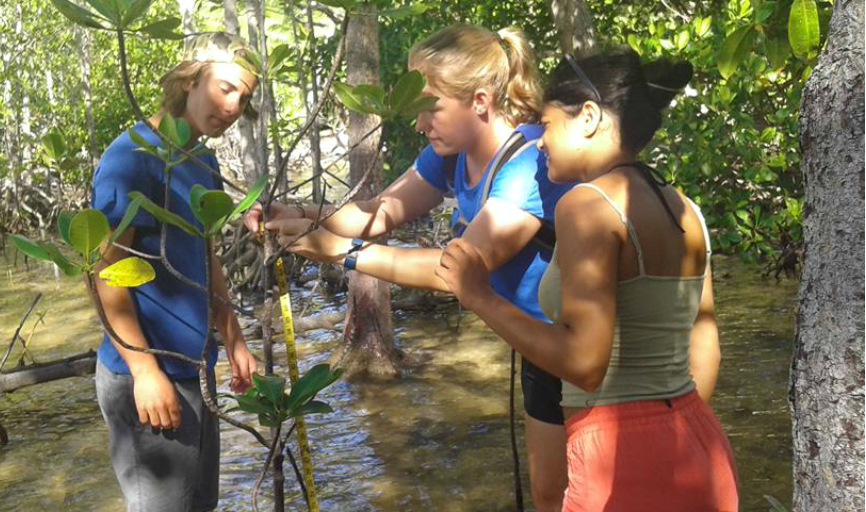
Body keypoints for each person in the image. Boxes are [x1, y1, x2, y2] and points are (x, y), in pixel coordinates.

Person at [245, 24, 573, 511]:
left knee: (581, 491)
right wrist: (295, 215)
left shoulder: (528, 165)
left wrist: (341, 252)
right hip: (536, 346)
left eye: (430, 106)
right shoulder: (451, 153)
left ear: (481, 101)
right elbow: (375, 212)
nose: (419, 123)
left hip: (573, 343)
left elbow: (456, 271)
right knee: (550, 492)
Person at [436, 48, 738, 512]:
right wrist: (665, 425)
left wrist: (479, 296)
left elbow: (584, 363)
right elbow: (706, 346)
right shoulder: (684, 207)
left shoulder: (585, 207)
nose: (539, 141)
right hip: (697, 442)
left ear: (590, 117)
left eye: (549, 124)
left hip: (617, 457)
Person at [91, 32, 259, 512]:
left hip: (194, 368)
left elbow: (205, 257)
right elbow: (105, 273)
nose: (233, 106)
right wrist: (146, 372)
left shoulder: (200, 157)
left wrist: (233, 335)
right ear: (190, 79)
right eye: (225, 88)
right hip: (147, 373)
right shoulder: (130, 158)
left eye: (243, 97)